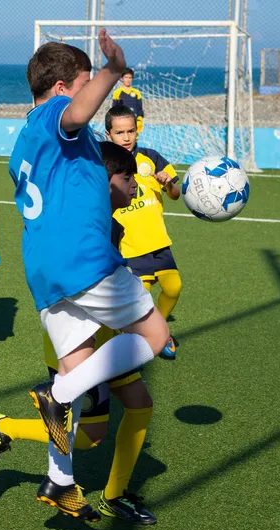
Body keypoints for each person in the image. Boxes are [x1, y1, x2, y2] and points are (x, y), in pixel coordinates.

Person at [8, 31, 169, 520]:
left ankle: (59, 481)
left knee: (77, 368)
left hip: (43, 269)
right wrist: (114, 67)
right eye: (82, 83)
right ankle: (55, 395)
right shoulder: (56, 119)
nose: (89, 94)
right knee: (157, 336)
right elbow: (77, 113)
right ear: (61, 87)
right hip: (84, 260)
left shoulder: (23, 144)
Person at [0, 142, 157, 525]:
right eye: (127, 178)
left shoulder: (112, 221)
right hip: (81, 335)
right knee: (88, 432)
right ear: (103, 180)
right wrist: (138, 321)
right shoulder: (87, 223)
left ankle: (113, 495)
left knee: (139, 405)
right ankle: (5, 427)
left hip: (109, 334)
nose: (134, 185)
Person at [105, 105, 181, 359]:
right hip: (130, 246)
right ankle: (140, 342)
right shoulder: (105, 164)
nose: (126, 137)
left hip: (158, 241)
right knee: (141, 303)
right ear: (108, 135)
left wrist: (168, 183)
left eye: (131, 131)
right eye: (119, 132)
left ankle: (162, 330)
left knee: (173, 288)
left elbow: (175, 195)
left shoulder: (151, 157)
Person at [111, 68, 144, 133]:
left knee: (133, 141)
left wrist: (139, 120)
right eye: (126, 77)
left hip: (133, 122)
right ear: (122, 78)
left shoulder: (137, 92)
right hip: (121, 122)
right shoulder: (117, 92)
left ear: (132, 79)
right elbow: (114, 109)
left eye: (130, 78)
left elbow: (139, 108)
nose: (128, 80)